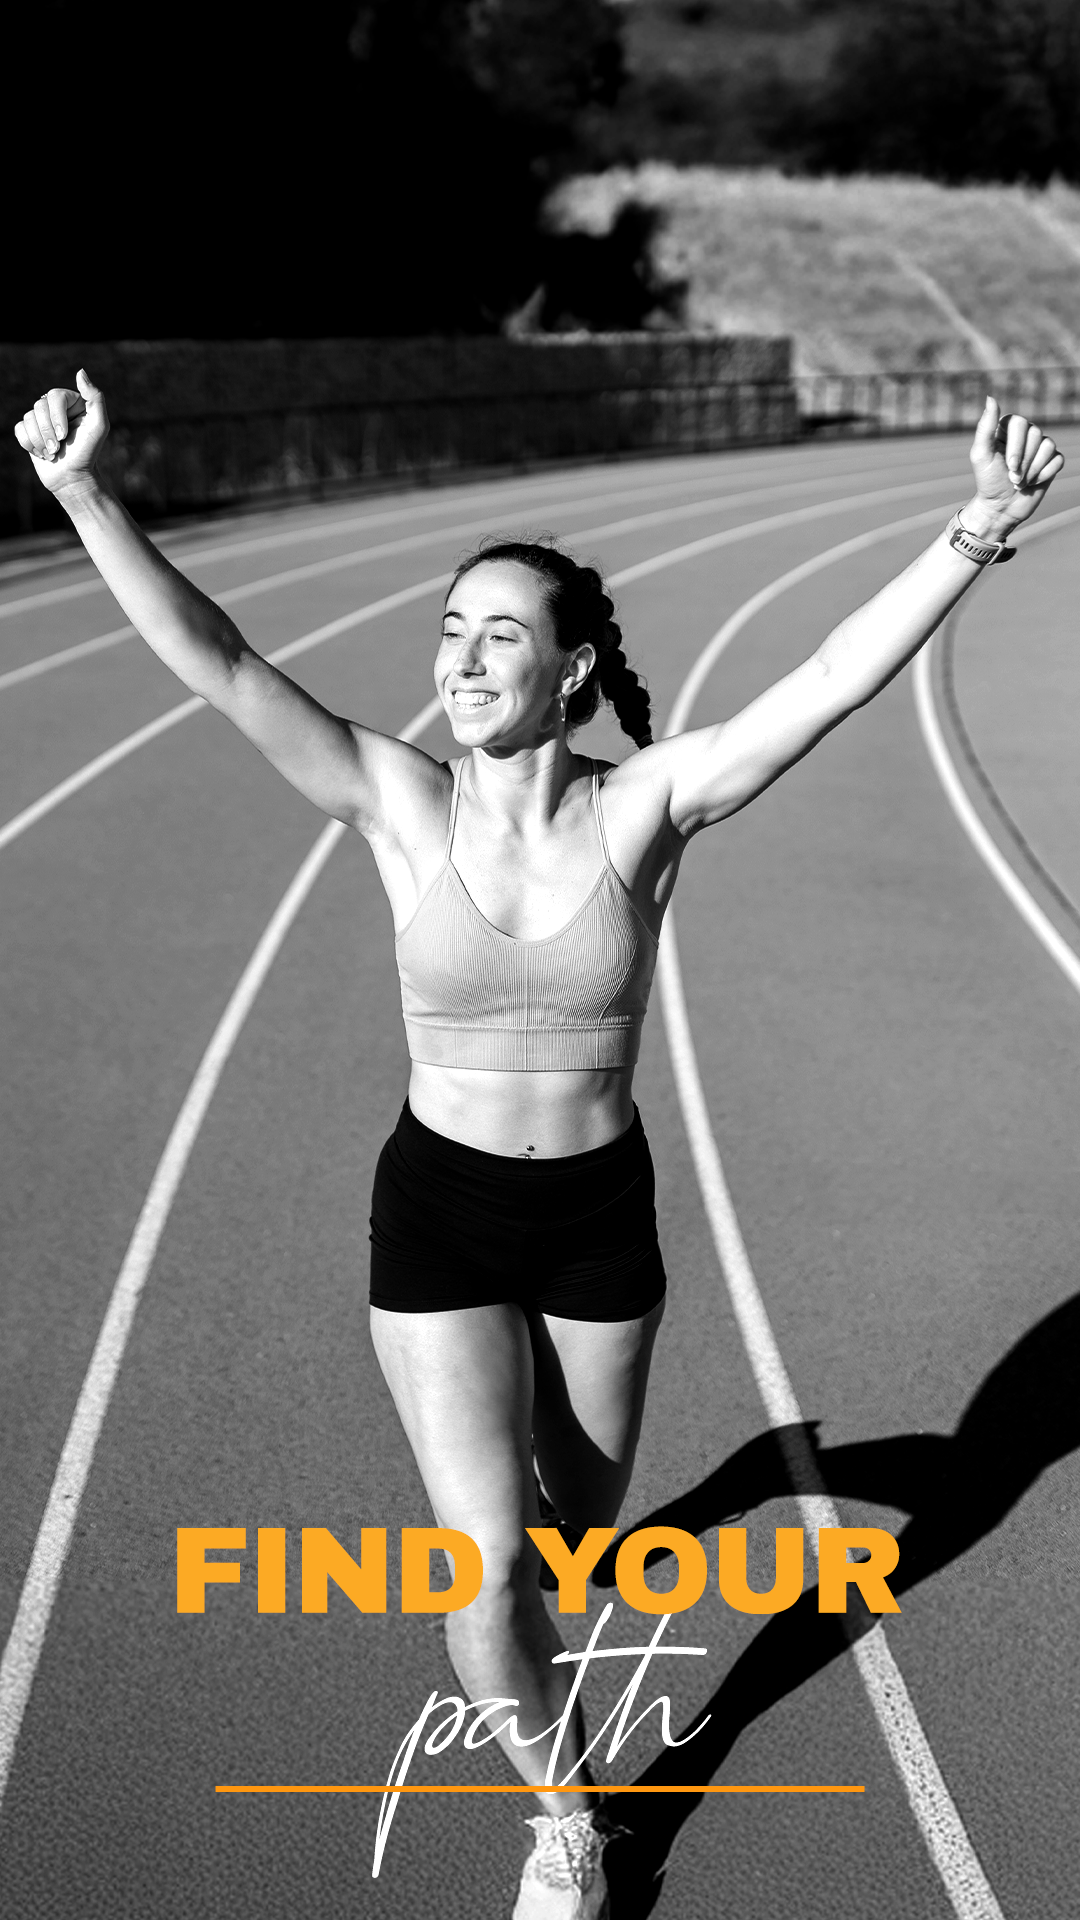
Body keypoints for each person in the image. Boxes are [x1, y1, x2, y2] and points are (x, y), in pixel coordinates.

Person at [15, 374, 1064, 1919]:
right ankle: (568, 1816)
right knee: (486, 1572)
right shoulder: (394, 801)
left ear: (572, 671)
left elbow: (832, 677)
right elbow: (221, 663)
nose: (464, 653)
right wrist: (86, 495)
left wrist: (976, 527)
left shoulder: (645, 812)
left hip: (594, 1225)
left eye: (502, 630)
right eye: (453, 629)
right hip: (435, 1216)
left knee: (573, 1549)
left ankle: (624, 1560)